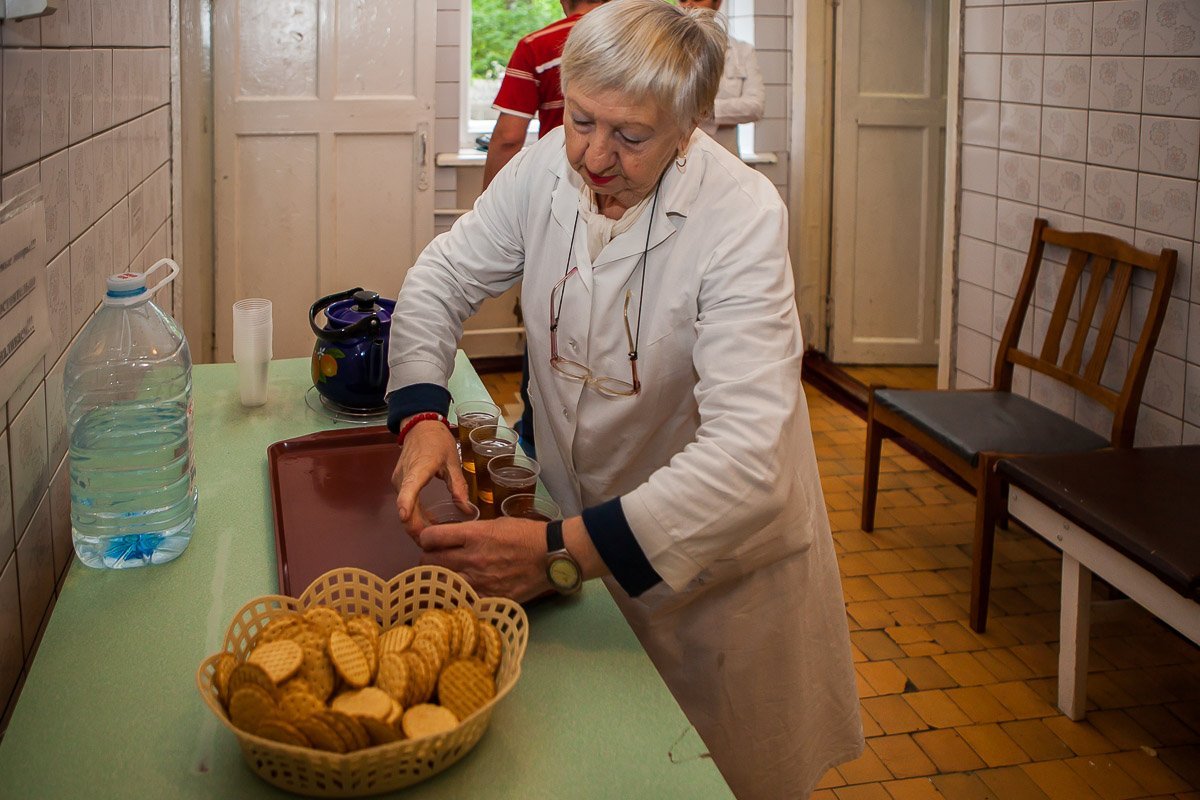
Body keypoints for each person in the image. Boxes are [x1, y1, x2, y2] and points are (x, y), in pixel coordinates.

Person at [386, 2, 862, 797]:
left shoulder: (740, 220)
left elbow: (749, 461)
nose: (592, 157)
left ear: (688, 127)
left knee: (714, 776)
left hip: (717, 576)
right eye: (579, 120)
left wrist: (556, 550)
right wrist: (424, 416)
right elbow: (443, 276)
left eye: (629, 136)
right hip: (586, 533)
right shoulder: (548, 167)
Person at [482, 0, 612, 191]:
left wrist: (487, 203)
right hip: (628, 178)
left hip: (559, 181)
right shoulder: (642, 43)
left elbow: (508, 138)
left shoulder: (536, 47)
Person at [679, 0, 765, 155]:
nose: (689, 4)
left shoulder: (742, 51)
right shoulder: (665, 50)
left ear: (717, 3)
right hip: (678, 157)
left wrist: (706, 111)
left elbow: (755, 107)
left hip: (726, 158)